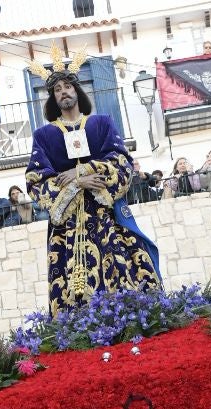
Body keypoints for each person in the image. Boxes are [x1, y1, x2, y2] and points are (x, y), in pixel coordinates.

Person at [24, 61, 161, 311]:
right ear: (53, 98)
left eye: (67, 86)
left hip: (104, 214)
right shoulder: (44, 136)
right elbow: (36, 179)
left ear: (77, 91)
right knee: (72, 278)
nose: (63, 92)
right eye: (57, 89)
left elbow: (121, 161)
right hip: (67, 225)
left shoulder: (102, 124)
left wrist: (83, 170)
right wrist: (78, 182)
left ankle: (128, 315)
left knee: (121, 265)